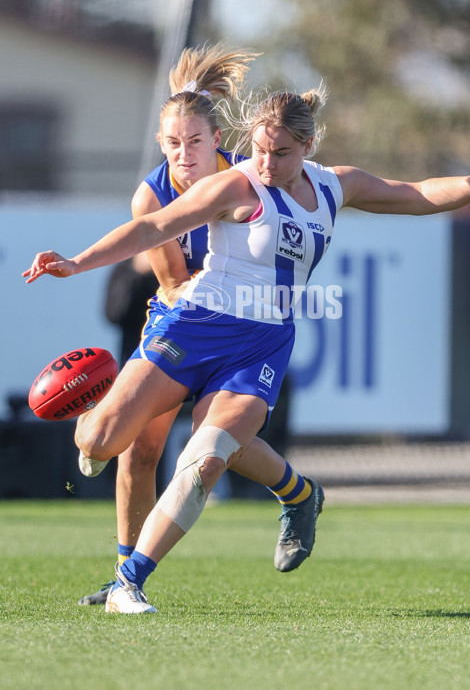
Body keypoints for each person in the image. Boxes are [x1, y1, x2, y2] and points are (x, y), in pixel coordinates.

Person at [24, 83, 470, 614]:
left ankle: (129, 582)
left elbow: (416, 193)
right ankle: (298, 493)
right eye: (259, 148)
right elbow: (153, 225)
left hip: (261, 345)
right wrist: (77, 262)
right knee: (102, 443)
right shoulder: (235, 185)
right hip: (193, 326)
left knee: (207, 455)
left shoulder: (336, 186)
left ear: (307, 148)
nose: (265, 162)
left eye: (280, 153)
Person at [75, 45, 324, 607]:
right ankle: (122, 568)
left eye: (194, 141)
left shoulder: (248, 173)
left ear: (217, 140)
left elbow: (301, 216)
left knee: (218, 444)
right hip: (184, 317)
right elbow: (172, 282)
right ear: (161, 145)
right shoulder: (153, 193)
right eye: (171, 143)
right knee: (141, 449)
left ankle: (130, 579)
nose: (183, 154)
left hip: (247, 328)